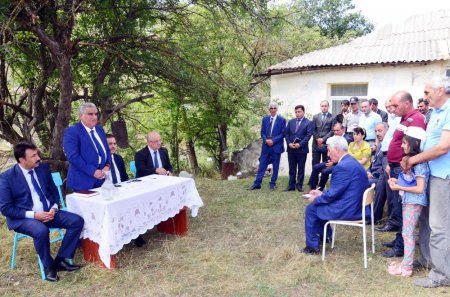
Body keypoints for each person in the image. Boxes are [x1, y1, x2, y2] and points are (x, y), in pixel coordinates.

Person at [0, 142, 84, 282]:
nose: (38, 157)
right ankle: (48, 266)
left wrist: (54, 207)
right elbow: (6, 209)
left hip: (48, 212)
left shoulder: (42, 168)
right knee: (41, 231)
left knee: (77, 221)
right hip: (24, 218)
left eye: (37, 154)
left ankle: (61, 260)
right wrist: (34, 215)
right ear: (22, 160)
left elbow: (53, 192)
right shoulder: (6, 178)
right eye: (33, 156)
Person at [402, 77, 450, 288]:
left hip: (443, 176)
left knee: (439, 226)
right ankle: (429, 260)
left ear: (441, 90)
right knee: (427, 221)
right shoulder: (436, 113)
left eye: (427, 91)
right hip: (431, 173)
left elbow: (442, 148)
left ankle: (442, 275)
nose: (424, 96)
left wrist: (413, 159)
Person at [301, 136, 369, 254]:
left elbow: (331, 196)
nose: (327, 154)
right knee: (320, 204)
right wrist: (321, 193)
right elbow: (339, 190)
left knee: (312, 209)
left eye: (329, 150)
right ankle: (325, 236)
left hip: (349, 209)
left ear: (336, 149)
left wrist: (315, 199)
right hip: (358, 206)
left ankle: (312, 247)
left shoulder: (342, 167)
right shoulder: (351, 162)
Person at [381, 90, 426, 259]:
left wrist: (406, 163)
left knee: (402, 206)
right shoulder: (404, 118)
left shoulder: (416, 119)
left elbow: (415, 145)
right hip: (395, 166)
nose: (392, 108)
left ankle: (401, 246)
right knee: (396, 205)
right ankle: (399, 239)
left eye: (395, 105)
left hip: (404, 168)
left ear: (407, 103)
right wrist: (390, 163)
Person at [387, 127, 429, 277]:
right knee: (407, 233)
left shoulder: (420, 165)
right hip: (409, 201)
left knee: (408, 233)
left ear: (414, 143)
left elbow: (419, 188)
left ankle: (407, 268)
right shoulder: (414, 163)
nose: (402, 146)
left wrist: (398, 186)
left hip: (414, 202)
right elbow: (411, 183)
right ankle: (406, 262)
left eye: (405, 143)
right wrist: (397, 181)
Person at [63, 102, 111, 191]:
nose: (94, 117)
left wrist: (107, 166)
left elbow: (107, 150)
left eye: (96, 114)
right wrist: (93, 171)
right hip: (82, 184)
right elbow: (73, 157)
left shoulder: (99, 129)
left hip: (102, 181)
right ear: (81, 116)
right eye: (90, 114)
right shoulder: (72, 132)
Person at [376, 98, 402, 232]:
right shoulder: (392, 118)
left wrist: (390, 163)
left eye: (391, 106)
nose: (389, 109)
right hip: (385, 155)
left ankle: (393, 222)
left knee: (392, 192)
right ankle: (390, 220)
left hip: (391, 159)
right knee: (386, 189)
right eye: (387, 107)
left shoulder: (400, 119)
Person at [249, 102, 286, 190]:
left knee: (275, 166)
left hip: (276, 146)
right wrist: (266, 140)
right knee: (262, 165)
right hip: (266, 146)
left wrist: (273, 141)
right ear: (269, 109)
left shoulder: (282, 120)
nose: (273, 110)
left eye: (274, 108)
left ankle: (272, 184)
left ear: (277, 109)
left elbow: (283, 133)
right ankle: (257, 184)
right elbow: (262, 132)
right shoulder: (265, 119)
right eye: (271, 108)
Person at [307, 122, 350, 191]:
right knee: (316, 167)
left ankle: (319, 190)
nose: (335, 132)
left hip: (340, 164)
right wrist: (329, 160)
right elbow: (329, 150)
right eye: (334, 130)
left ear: (343, 130)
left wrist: (333, 163)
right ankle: (312, 189)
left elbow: (346, 156)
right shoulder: (332, 138)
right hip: (330, 161)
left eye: (337, 130)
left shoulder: (347, 139)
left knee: (325, 171)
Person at [284, 105, 313, 192]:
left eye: (299, 112)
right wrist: (289, 143)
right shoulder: (291, 122)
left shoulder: (308, 123)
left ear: (303, 112)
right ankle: (291, 186)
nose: (297, 114)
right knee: (292, 168)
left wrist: (300, 144)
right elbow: (286, 134)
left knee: (301, 168)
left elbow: (308, 136)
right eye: (296, 112)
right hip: (291, 149)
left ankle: (299, 185)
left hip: (302, 150)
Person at [367, 122, 388, 224]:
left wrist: (373, 175)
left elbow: (384, 166)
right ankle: (365, 214)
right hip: (373, 175)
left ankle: (373, 217)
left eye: (380, 131)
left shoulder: (388, 146)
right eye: (376, 131)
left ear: (387, 131)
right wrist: (368, 172)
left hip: (380, 177)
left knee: (365, 184)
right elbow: (373, 163)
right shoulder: (380, 145)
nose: (377, 134)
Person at [311, 100, 334, 166]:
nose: (324, 107)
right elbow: (312, 129)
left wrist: (323, 139)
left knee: (326, 162)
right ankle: (315, 176)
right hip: (316, 143)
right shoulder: (315, 117)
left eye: (325, 106)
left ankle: (324, 176)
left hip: (326, 143)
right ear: (320, 107)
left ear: (328, 107)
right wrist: (318, 138)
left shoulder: (332, 117)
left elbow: (332, 131)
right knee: (315, 162)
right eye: (322, 106)